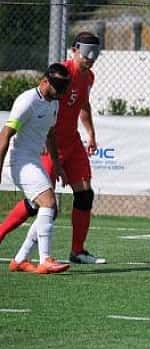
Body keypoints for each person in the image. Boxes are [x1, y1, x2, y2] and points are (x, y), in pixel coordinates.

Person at [0, 32, 106, 264]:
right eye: (87, 52)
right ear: (75, 50)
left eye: (96, 53)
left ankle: (77, 251)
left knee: (85, 194)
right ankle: (6, 239)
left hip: (73, 141)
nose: (91, 58)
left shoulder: (89, 78)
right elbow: (42, 98)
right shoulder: (62, 73)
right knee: (42, 203)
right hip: (51, 144)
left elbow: (84, 105)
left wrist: (91, 134)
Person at [0, 63, 71, 274]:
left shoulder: (54, 103)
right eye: (57, 87)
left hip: (33, 160)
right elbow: (5, 136)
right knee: (48, 202)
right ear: (44, 81)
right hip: (18, 160)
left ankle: (20, 259)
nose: (60, 93)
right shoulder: (27, 101)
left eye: (63, 89)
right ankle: (45, 259)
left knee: (50, 210)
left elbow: (50, 135)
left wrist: (57, 165)